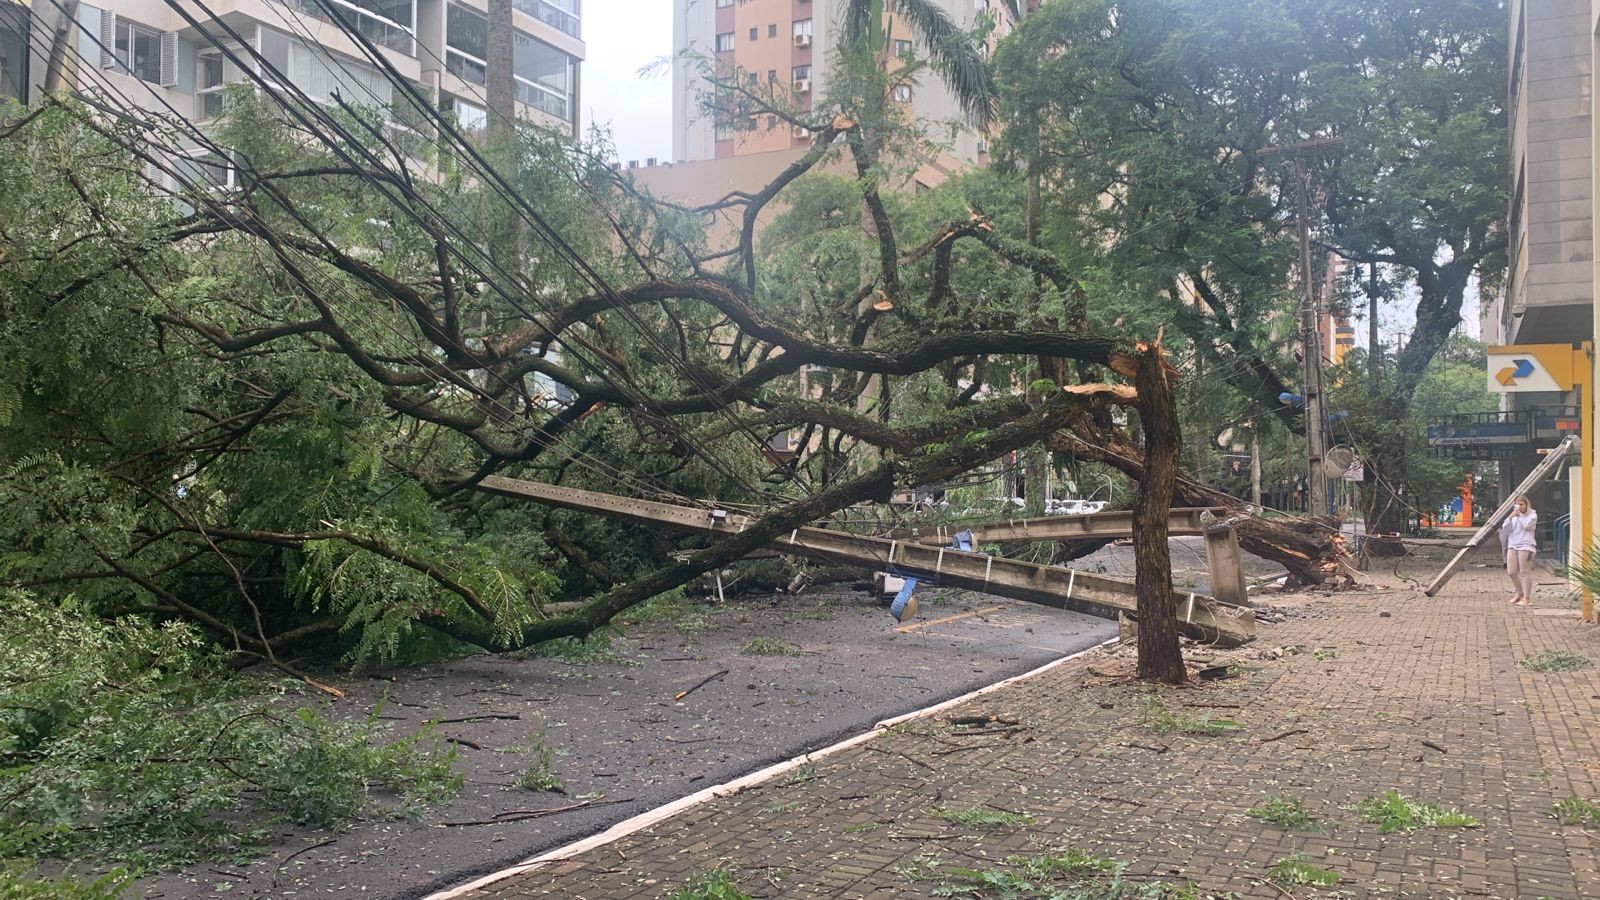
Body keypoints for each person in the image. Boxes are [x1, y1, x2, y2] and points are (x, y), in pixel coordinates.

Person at [1501, 497, 1538, 607]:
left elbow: (1527, 526)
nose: (1520, 507)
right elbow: (1505, 530)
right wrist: (1510, 518)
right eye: (1517, 505)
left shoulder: (1532, 515)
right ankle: (1519, 593)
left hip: (1526, 544)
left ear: (1526, 504)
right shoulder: (1513, 516)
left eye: (1522, 504)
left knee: (1524, 571)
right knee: (1511, 572)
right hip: (1513, 544)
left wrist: (1520, 517)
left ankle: (1526, 597)